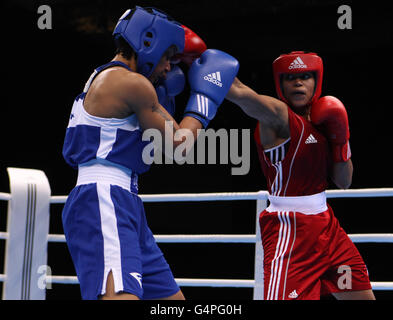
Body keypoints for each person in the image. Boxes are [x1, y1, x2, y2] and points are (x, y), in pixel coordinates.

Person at [61, 6, 239, 300]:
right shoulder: (131, 83)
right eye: (168, 56)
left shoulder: (107, 78)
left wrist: (166, 97)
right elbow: (180, 144)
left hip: (124, 202)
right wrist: (206, 96)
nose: (169, 67)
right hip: (104, 200)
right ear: (148, 42)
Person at [226, 51, 375, 300]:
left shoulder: (323, 122)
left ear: (316, 81)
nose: (298, 82)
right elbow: (242, 94)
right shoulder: (277, 116)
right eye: (290, 77)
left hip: (328, 228)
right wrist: (198, 59)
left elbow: (344, 181)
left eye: (305, 76)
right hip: (290, 231)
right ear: (280, 84)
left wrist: (340, 140)